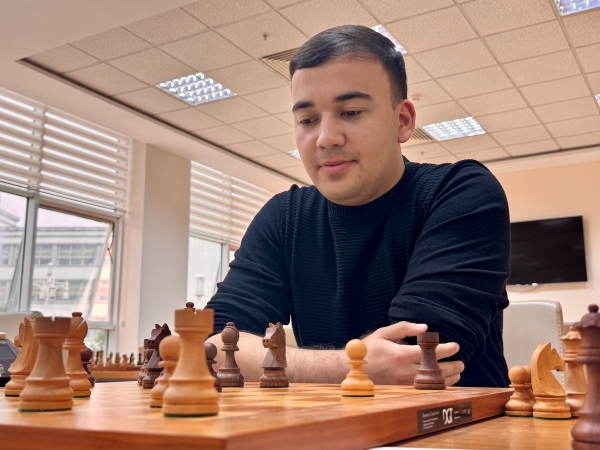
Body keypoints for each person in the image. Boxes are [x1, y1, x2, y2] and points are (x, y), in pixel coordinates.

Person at [205, 24, 510, 388]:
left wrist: (291, 364)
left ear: (402, 121)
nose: (326, 138)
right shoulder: (283, 218)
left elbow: (421, 358)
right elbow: (212, 348)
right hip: (334, 419)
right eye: (307, 120)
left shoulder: (462, 192)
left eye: (350, 112)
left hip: (458, 423)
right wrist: (353, 365)